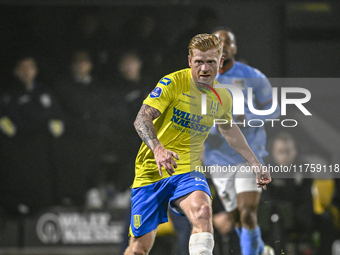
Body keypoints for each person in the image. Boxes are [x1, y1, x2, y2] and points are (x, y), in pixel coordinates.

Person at [124, 33, 271, 255]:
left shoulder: (222, 96)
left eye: (210, 61)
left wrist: (254, 162)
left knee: (203, 212)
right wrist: (158, 149)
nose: (204, 68)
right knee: (138, 249)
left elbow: (228, 129)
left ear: (220, 63)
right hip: (151, 172)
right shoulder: (172, 83)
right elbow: (141, 118)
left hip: (187, 170)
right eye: (199, 62)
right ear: (189, 61)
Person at [204, 29, 279, 255]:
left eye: (228, 43)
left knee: (248, 212)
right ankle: (259, 250)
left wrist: (250, 117)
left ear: (235, 48)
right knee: (237, 218)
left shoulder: (253, 76)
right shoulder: (200, 79)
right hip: (218, 158)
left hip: (249, 155)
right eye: (218, 43)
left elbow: (275, 110)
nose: (224, 46)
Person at [0, 55, 64, 215]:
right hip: (19, 145)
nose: (27, 72)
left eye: (30, 68)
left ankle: (45, 205)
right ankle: (18, 205)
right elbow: (5, 120)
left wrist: (55, 127)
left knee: (43, 176)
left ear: (35, 70)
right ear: (16, 72)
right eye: (23, 68)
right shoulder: (10, 94)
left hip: (42, 145)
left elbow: (56, 117)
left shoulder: (45, 92)